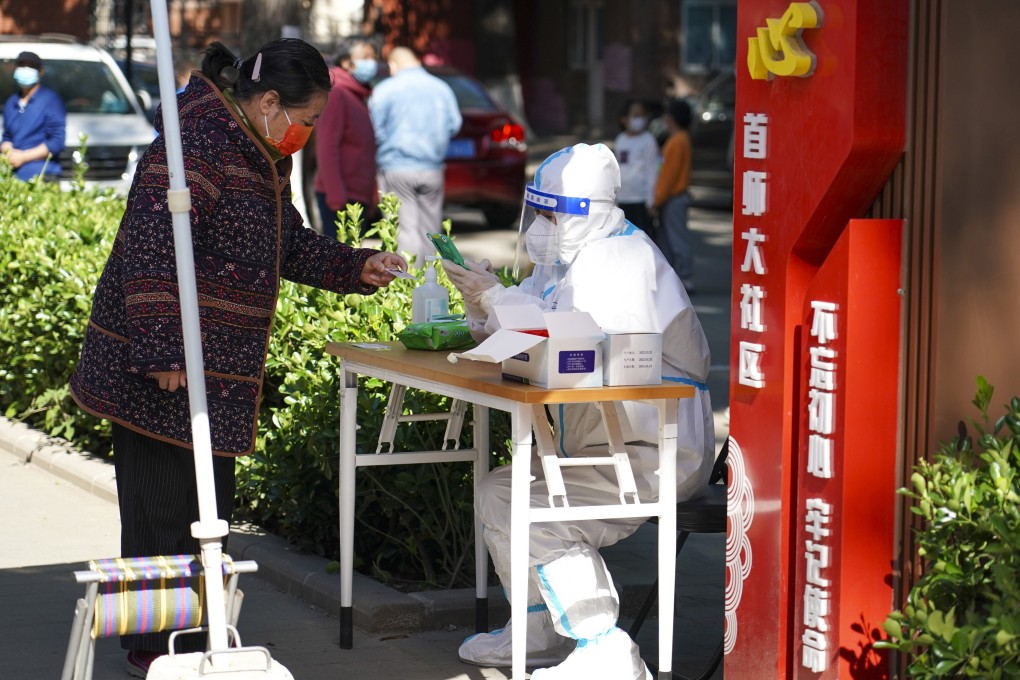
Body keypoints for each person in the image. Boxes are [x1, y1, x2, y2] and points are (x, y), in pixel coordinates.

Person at [68, 38, 406, 678]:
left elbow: (288, 244)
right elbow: (151, 243)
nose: (305, 134)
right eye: (305, 121)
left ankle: (196, 635)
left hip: (214, 370)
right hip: (162, 364)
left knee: (206, 509)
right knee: (164, 507)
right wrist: (163, 346)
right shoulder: (196, 139)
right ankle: (155, 646)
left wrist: (357, 264)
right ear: (270, 101)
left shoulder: (258, 149)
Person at [442, 143, 714, 679]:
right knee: (499, 491)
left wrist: (497, 301)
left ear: (585, 211)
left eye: (551, 214)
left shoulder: (619, 259)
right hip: (603, 444)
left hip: (651, 450)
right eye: (537, 213)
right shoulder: (572, 256)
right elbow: (535, 317)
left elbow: (577, 349)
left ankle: (605, 651)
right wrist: (485, 302)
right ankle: (538, 629)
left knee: (543, 514)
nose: (541, 227)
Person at [369, 45, 461, 263]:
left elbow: (374, 128)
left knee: (405, 230)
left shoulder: (386, 89)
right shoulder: (441, 88)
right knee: (432, 228)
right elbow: (454, 125)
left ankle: (408, 286)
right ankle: (432, 281)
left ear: (393, 65)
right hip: (432, 167)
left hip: (396, 167)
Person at [314, 39, 380, 239]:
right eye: (365, 57)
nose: (372, 62)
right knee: (339, 265)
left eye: (374, 57)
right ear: (346, 62)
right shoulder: (337, 93)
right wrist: (336, 197)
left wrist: (371, 194)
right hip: (341, 199)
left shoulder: (357, 95)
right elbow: (327, 146)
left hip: (356, 197)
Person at [1, 51, 66, 182]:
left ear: (40, 72)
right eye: (21, 65)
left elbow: (57, 141)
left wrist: (23, 157)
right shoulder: (11, 102)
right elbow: (7, 136)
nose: (25, 69)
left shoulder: (51, 100)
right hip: (11, 176)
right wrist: (8, 151)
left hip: (41, 175)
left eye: (30, 66)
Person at [652, 98, 695, 292]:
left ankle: (685, 276)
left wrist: (658, 198)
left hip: (673, 197)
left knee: (677, 239)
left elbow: (669, 174)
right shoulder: (679, 139)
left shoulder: (677, 141)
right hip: (673, 197)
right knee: (668, 239)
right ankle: (675, 276)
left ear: (672, 117)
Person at [613, 99, 659, 237]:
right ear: (624, 119)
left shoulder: (648, 140)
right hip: (623, 198)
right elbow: (617, 168)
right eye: (635, 115)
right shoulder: (620, 139)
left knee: (641, 238)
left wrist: (651, 201)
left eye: (641, 115)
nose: (639, 119)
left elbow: (652, 170)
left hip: (641, 200)